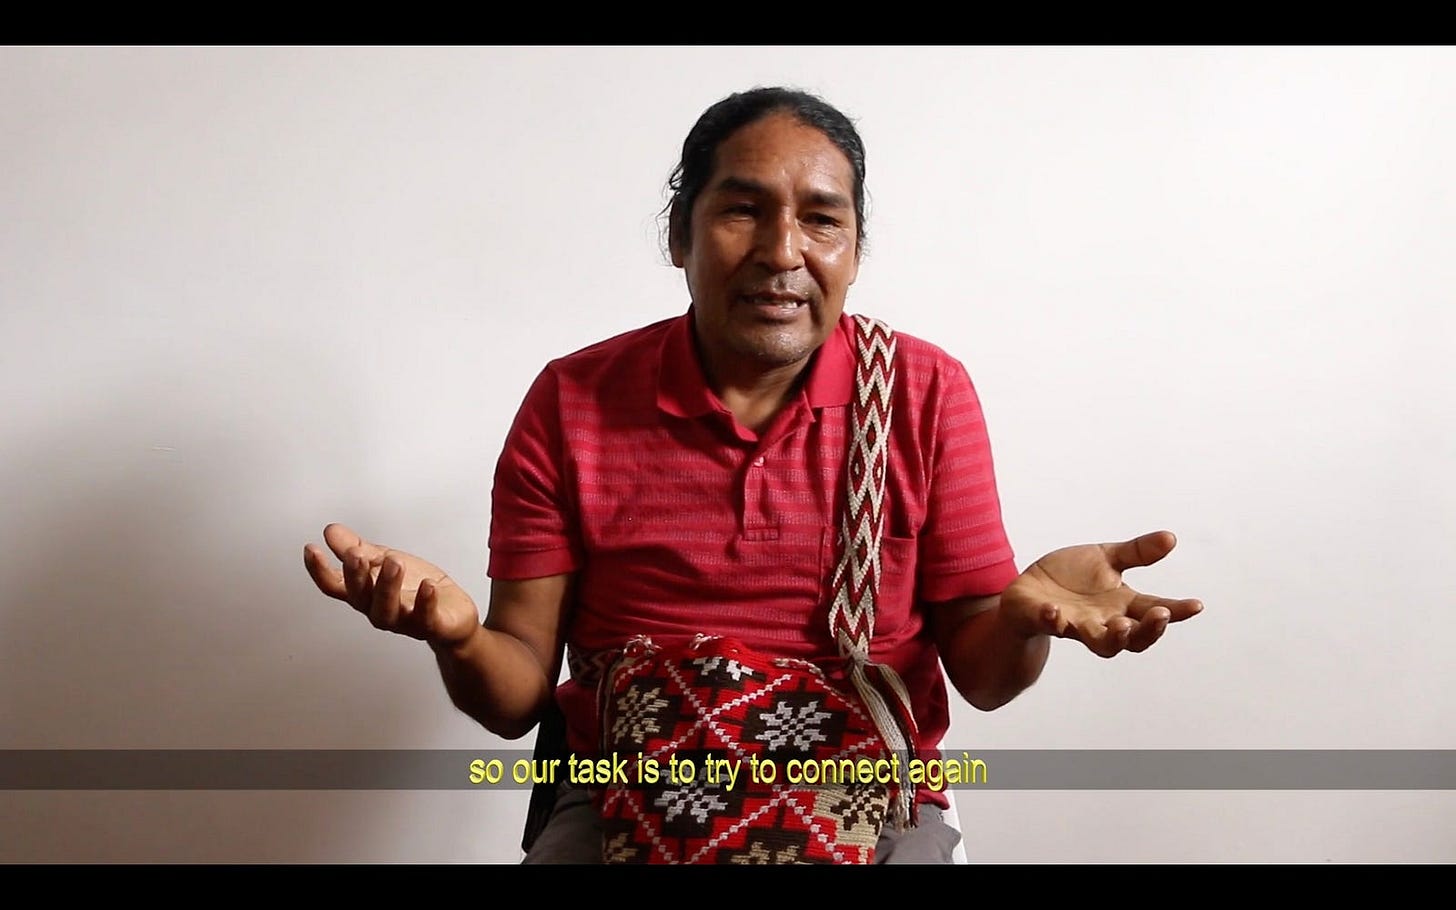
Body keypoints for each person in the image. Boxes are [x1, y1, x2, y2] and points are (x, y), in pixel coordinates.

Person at [303, 86, 1203, 864]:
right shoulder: (573, 400)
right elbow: (515, 698)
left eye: (822, 219)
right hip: (624, 798)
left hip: (869, 800)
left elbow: (988, 679)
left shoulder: (924, 394)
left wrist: (1022, 620)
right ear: (679, 235)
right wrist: (458, 639)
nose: (782, 251)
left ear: (855, 249)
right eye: (742, 210)